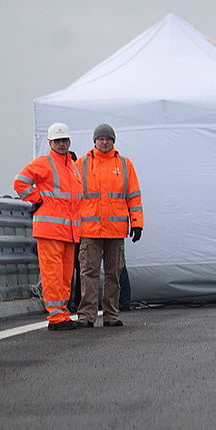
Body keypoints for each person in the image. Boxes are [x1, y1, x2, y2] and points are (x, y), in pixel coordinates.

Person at [14, 122, 82, 331]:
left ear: (69, 141)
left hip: (69, 231)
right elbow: (20, 182)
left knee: (65, 275)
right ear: (50, 143)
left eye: (64, 140)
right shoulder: (44, 163)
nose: (62, 144)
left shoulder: (72, 166)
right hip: (51, 230)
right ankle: (56, 316)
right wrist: (37, 199)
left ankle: (62, 313)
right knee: (53, 274)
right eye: (57, 141)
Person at [75, 124, 144, 328]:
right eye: (101, 139)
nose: (104, 142)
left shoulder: (124, 164)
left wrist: (137, 223)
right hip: (90, 230)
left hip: (115, 231)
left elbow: (134, 196)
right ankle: (86, 316)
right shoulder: (82, 163)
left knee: (114, 273)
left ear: (113, 141)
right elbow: (72, 195)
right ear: (94, 141)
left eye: (108, 139)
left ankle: (111, 314)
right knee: (89, 273)